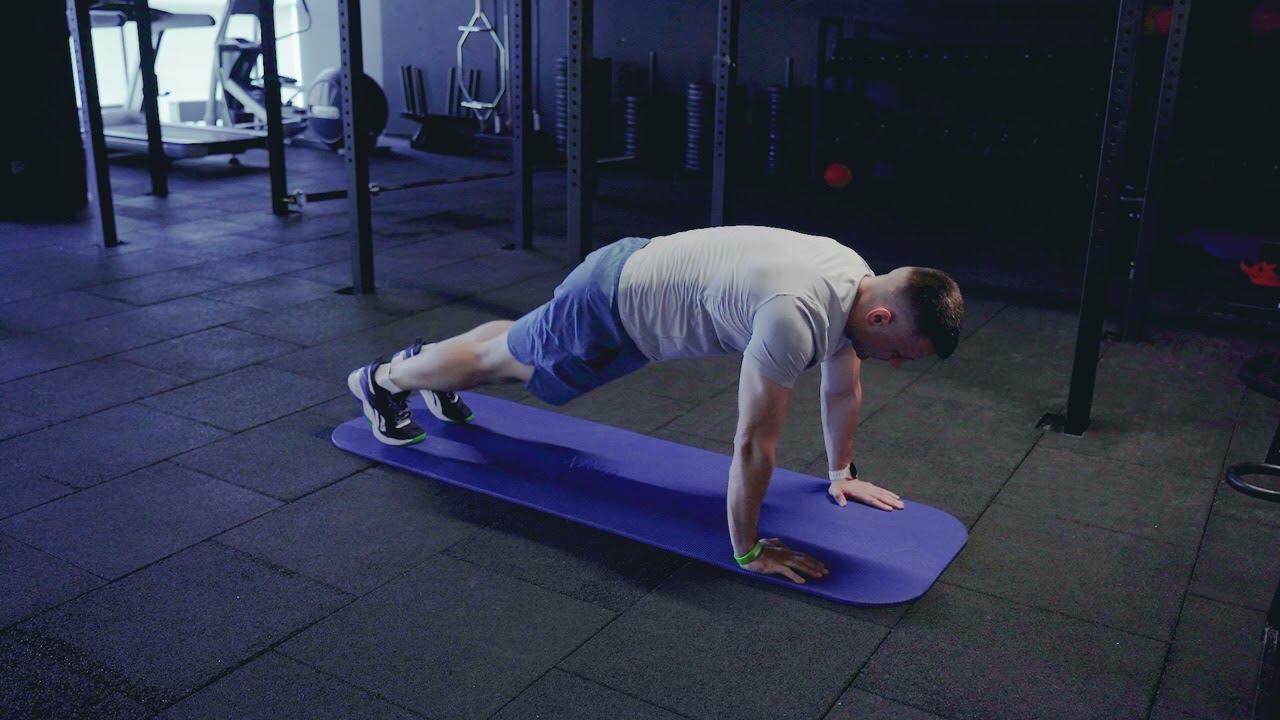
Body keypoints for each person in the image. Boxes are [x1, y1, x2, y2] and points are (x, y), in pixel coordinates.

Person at [347, 225, 964, 584]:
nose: (896, 365)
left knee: (514, 349)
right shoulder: (793, 316)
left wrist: (840, 472)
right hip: (611, 307)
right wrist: (748, 550)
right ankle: (385, 378)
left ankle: (433, 367)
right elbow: (754, 444)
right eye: (900, 353)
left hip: (634, 276)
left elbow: (842, 387)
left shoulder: (854, 275)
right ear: (880, 317)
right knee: (507, 361)